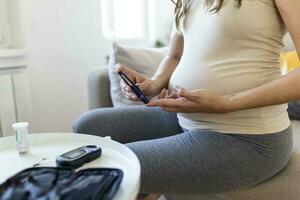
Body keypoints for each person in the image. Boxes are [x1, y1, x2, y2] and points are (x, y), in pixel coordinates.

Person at [74, 0, 300, 199]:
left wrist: (228, 102)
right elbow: (175, 55)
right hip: (184, 119)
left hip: (247, 137)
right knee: (87, 126)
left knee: (112, 167)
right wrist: (153, 83)